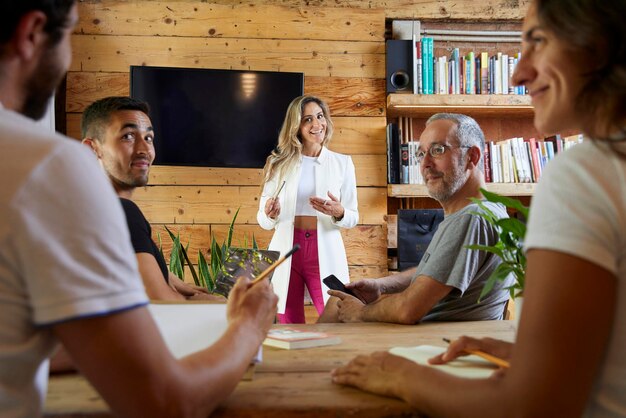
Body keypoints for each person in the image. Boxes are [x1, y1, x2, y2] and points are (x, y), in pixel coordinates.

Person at [332, 0, 626, 416]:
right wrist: (525, 354)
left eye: (538, 41)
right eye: (420, 153)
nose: (518, 73)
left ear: (600, 45)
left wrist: (400, 375)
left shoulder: (585, 174)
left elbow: (536, 404)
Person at [0, 2, 277, 417]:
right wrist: (249, 326)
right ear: (32, 33)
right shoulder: (47, 165)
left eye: (149, 135)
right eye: (72, 34)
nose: (145, 146)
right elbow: (164, 401)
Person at [320, 113, 513, 324]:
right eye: (420, 154)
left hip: (435, 342)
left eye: (438, 150)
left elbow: (407, 310)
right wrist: (382, 285)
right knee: (338, 302)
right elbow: (432, 272)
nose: (425, 164)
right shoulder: (486, 210)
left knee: (338, 306)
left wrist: (360, 312)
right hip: (433, 333)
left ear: (472, 157)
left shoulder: (470, 219)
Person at [81, 96, 220, 301]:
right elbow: (160, 303)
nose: (144, 150)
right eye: (128, 136)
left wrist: (166, 276)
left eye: (148, 138)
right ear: (92, 148)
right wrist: (209, 304)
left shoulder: (89, 208)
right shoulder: (122, 211)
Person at [257, 95, 359, 323]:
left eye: (320, 116)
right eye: (308, 119)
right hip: (287, 250)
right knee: (288, 321)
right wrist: (269, 213)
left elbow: (353, 217)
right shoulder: (278, 164)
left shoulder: (342, 163)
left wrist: (339, 212)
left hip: (324, 248)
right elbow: (263, 221)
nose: (317, 124)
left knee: (335, 316)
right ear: (297, 126)